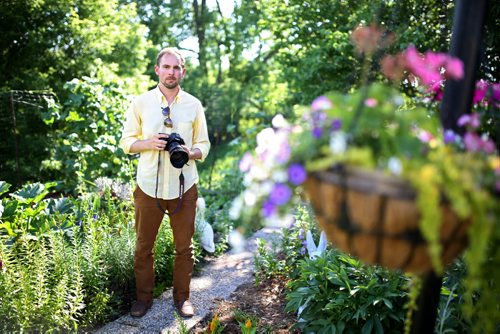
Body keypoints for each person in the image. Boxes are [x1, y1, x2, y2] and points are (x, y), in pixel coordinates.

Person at [119, 47, 210, 318]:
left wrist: (188, 152)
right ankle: (143, 299)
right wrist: (148, 143)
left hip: (184, 187)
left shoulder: (193, 105)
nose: (171, 72)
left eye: (176, 67)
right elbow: (126, 142)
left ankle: (182, 299)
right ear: (157, 70)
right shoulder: (140, 102)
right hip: (148, 187)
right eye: (166, 67)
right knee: (143, 247)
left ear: (182, 71)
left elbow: (203, 144)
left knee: (184, 247)